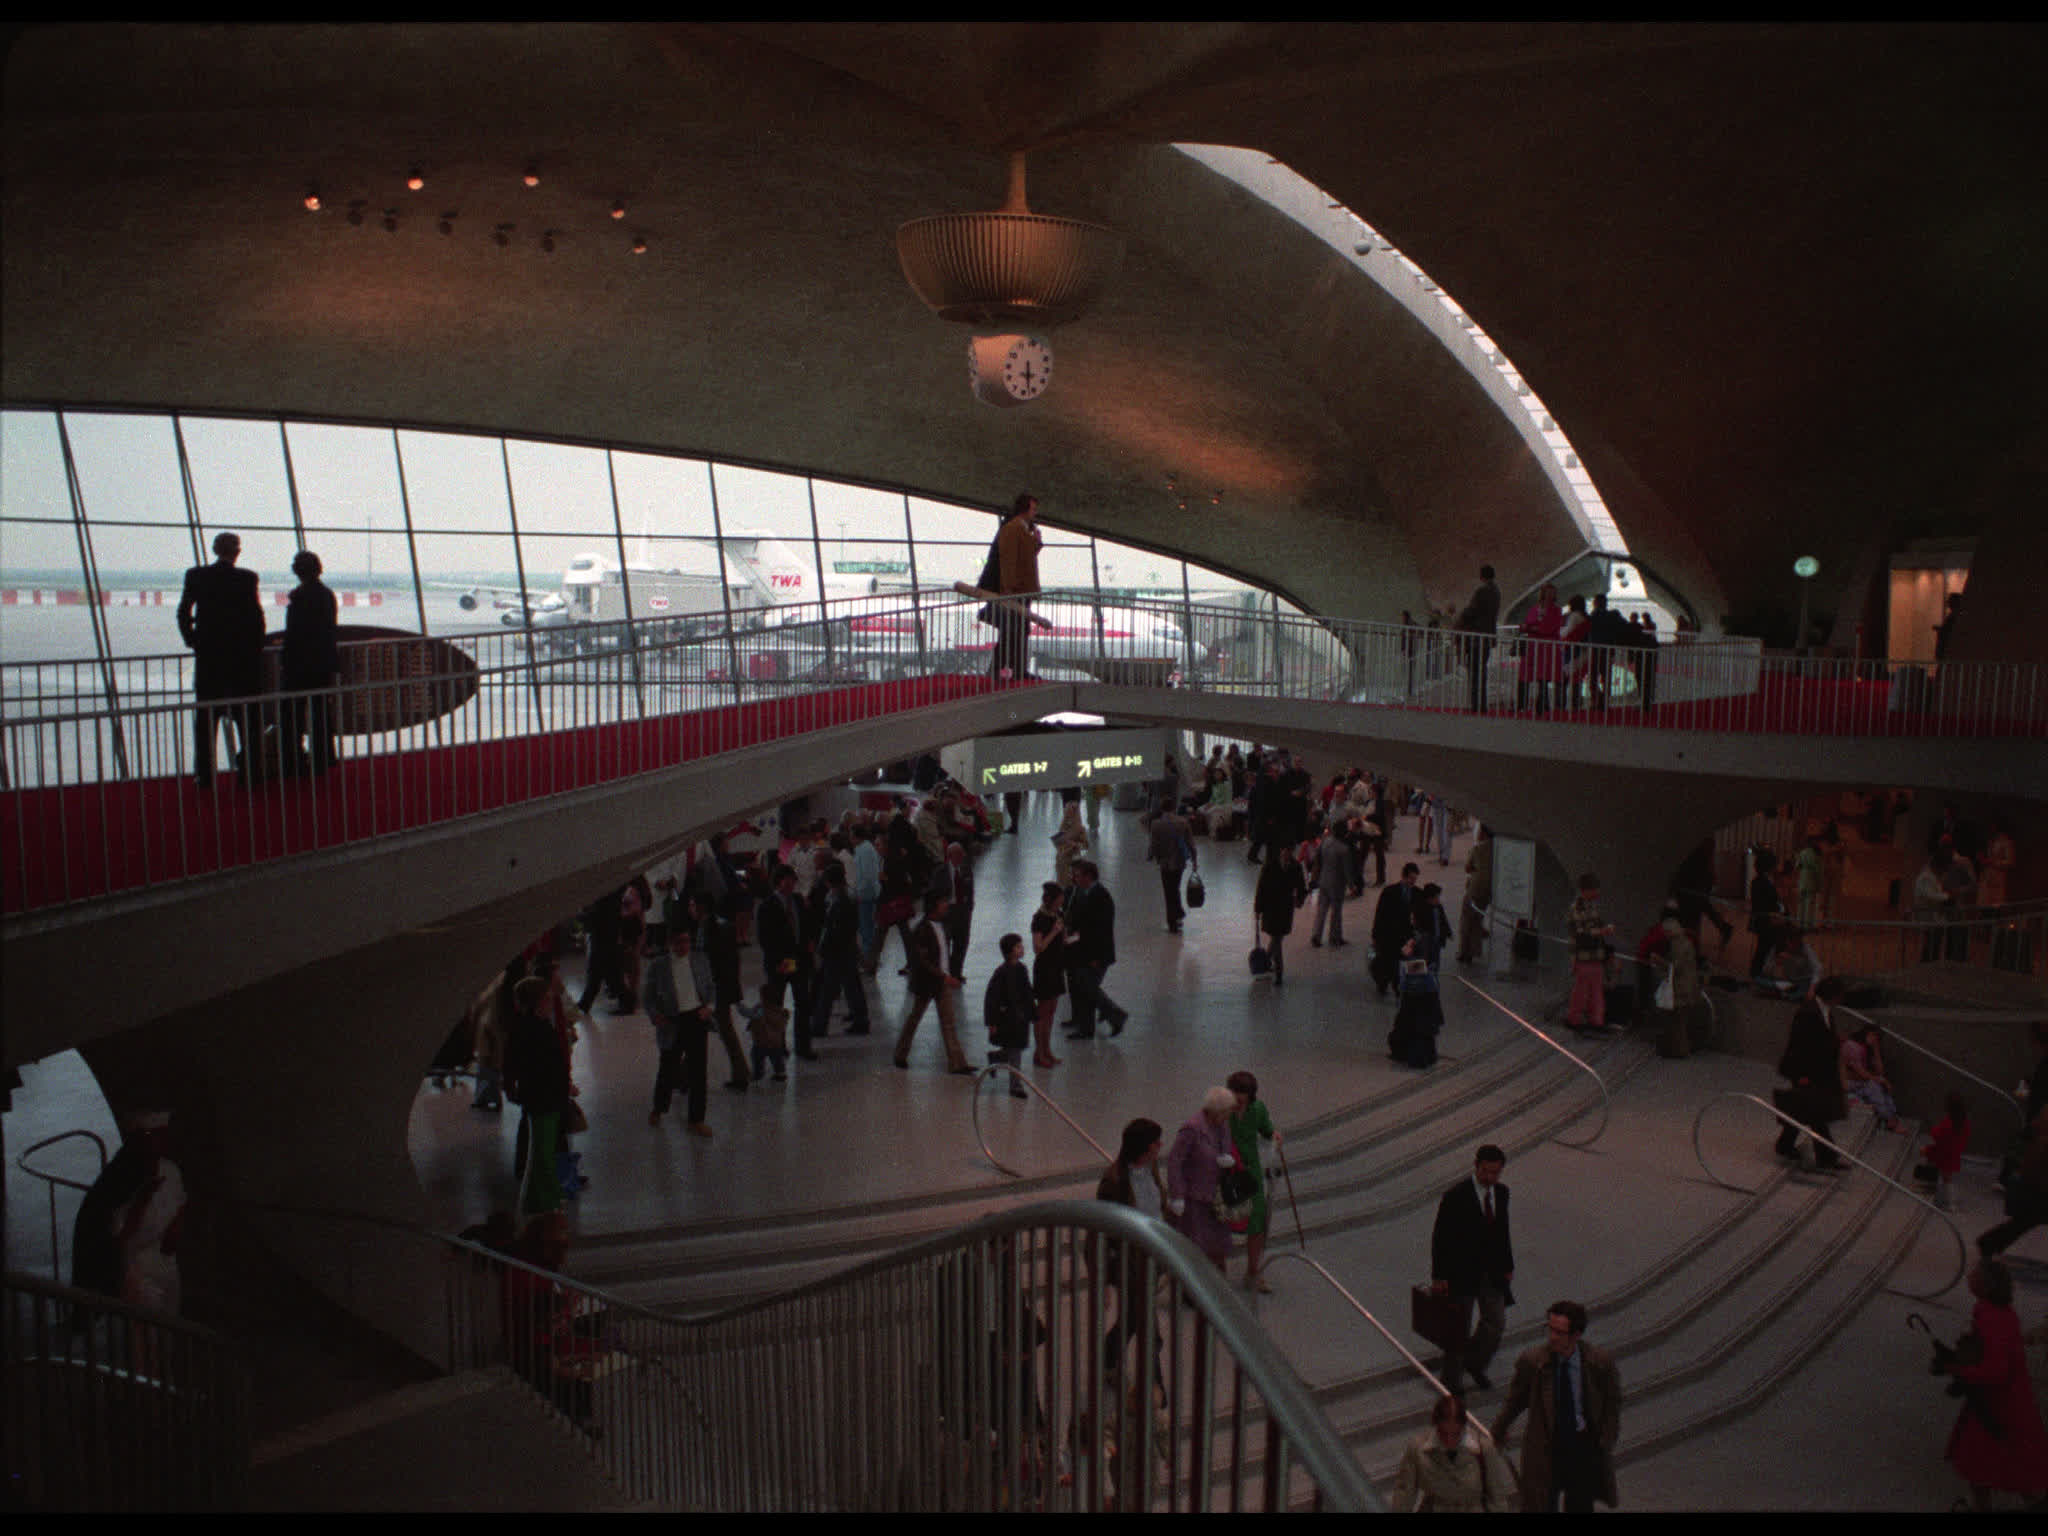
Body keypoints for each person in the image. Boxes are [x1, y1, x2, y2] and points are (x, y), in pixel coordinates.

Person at [1491, 1299, 1623, 1512]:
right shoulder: (1533, 1362)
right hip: (1545, 1448)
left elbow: (1612, 1403)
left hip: (1581, 1447)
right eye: (1550, 1329)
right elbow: (1514, 1401)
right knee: (1540, 1504)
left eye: (1559, 1332)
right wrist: (1497, 1432)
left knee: (1580, 1504)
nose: (1552, 1337)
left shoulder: (1598, 1362)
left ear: (1576, 1335)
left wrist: (1606, 1440)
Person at [1939, 1258, 2048, 1510]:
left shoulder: (1992, 1318)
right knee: (2005, 1470)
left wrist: (1959, 1369)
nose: (1968, 1277)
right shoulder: (1995, 1313)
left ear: (1985, 1286)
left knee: (1988, 1468)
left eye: (1974, 1275)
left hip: (1999, 1408)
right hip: (2002, 1406)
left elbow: (1995, 1371)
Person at [176, 529, 266, 788]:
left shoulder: (196, 576)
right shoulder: (248, 579)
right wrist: (255, 650)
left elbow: (183, 612)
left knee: (206, 723)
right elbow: (257, 619)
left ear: (215, 550)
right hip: (241, 663)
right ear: (236, 552)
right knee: (247, 722)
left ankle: (205, 776)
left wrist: (192, 640)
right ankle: (250, 774)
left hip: (209, 662)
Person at [1430, 1144, 1515, 1395]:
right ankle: (1451, 1380)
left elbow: (1503, 1231)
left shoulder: (1501, 1193)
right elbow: (1440, 1238)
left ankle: (1475, 1362)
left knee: (1495, 1322)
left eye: (1495, 1173)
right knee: (1459, 1327)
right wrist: (1439, 1275)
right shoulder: (1456, 1196)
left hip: (1492, 1271)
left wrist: (1508, 1264)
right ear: (1476, 1166)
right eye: (1486, 1172)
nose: (1490, 1178)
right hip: (1462, 1272)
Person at [505, 974, 569, 1214]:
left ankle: (539, 1196)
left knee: (542, 1148)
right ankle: (545, 1199)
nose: (551, 1001)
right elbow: (547, 1064)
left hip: (540, 1096)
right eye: (547, 998)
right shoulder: (536, 1029)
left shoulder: (523, 1027)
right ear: (538, 1001)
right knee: (542, 1152)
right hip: (544, 1097)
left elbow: (511, 1062)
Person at [641, 922, 713, 1137]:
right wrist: (655, 1016)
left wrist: (709, 1007)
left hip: (696, 1019)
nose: (684, 946)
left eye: (687, 941)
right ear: (670, 943)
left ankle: (697, 1119)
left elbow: (710, 987)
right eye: (679, 942)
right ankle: (658, 1107)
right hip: (672, 1022)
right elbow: (648, 997)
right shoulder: (658, 965)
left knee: (698, 1072)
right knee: (668, 1067)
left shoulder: (700, 959)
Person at [1392, 1393, 1516, 1514]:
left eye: (1456, 1434)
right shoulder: (1418, 1449)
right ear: (1436, 1426)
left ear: (1463, 1428)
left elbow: (1496, 1496)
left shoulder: (1483, 1449)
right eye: (1443, 1434)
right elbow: (1404, 1492)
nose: (1449, 1441)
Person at [1773, 976, 1848, 1170]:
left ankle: (1785, 1144)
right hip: (1806, 1070)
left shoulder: (1823, 1011)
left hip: (1817, 1070)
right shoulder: (1808, 1013)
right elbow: (1799, 1045)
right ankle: (1827, 1157)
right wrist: (1800, 1075)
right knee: (1816, 1114)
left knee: (1803, 1109)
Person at [894, 892, 971, 1074]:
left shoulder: (943, 926)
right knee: (915, 1017)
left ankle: (957, 1062)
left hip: (940, 981)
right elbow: (923, 961)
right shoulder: (922, 929)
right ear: (934, 906)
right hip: (927, 983)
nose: (946, 905)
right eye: (943, 901)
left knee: (948, 1021)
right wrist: (945, 977)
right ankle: (900, 1053)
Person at [1166, 1087, 1239, 1274]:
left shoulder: (1222, 1126)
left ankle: (1215, 1287)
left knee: (1218, 1247)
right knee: (1197, 1247)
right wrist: (1177, 1195)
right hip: (1195, 1198)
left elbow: (1224, 1146)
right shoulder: (1192, 1128)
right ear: (1218, 1111)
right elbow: (1175, 1161)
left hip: (1215, 1196)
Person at [281, 548, 340, 775]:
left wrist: (285, 659)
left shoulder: (299, 596)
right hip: (322, 662)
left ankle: (294, 759)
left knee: (292, 714)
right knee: (320, 713)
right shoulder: (327, 594)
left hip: (299, 665)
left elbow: (294, 634)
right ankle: (324, 757)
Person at [687, 889, 753, 1091]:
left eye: (692, 904)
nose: (690, 908)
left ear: (700, 907)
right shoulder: (722, 925)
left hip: (713, 990)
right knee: (712, 1030)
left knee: (708, 1030)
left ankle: (740, 1074)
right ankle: (740, 1072)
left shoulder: (707, 929)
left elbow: (706, 963)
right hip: (722, 988)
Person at [1226, 1070, 1282, 1293]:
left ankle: (1252, 1271)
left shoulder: (1257, 1110)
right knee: (1223, 1221)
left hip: (1251, 1171)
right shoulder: (1222, 1111)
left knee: (1256, 1223)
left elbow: (1267, 1130)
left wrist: (1274, 1137)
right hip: (1229, 1171)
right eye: (1235, 1093)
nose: (1238, 1098)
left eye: (1243, 1094)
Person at [757, 863, 818, 1061]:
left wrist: (809, 943)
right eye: (788, 880)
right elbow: (765, 938)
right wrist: (777, 961)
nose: (792, 884)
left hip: (799, 961)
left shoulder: (799, 901)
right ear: (778, 882)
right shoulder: (767, 906)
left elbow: (807, 924)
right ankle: (777, 1046)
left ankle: (803, 1046)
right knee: (777, 1007)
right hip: (780, 964)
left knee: (803, 1003)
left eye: (794, 880)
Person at [1062, 859, 1129, 1038]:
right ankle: (1085, 1023)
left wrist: (1096, 957)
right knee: (1082, 987)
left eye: (1077, 875)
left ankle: (1114, 1015)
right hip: (1081, 950)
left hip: (1096, 954)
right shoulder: (1081, 892)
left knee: (1088, 987)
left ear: (1088, 876)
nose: (1074, 879)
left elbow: (1102, 931)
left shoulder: (1101, 897)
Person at [808, 861, 871, 1040]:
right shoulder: (848, 895)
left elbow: (832, 928)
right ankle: (861, 1020)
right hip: (847, 948)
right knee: (852, 986)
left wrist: (822, 948)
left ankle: (819, 1026)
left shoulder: (839, 900)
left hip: (836, 951)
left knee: (827, 990)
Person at [991, 491, 1042, 681]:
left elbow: (1023, 558)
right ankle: (1009, 668)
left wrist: (1035, 542)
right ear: (1025, 510)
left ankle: (1012, 668)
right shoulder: (1013, 529)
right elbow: (1010, 560)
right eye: (1033, 509)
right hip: (1017, 590)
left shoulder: (1021, 530)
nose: (1035, 513)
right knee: (1014, 631)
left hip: (1020, 589)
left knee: (1017, 630)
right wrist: (1009, 588)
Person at [983, 933, 1034, 1098]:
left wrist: (1032, 1011)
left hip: (1021, 1018)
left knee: (1015, 1049)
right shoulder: (1001, 973)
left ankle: (995, 1057)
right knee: (1015, 1052)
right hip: (1008, 1019)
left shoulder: (1022, 969)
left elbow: (1027, 992)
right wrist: (992, 1022)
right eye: (1018, 946)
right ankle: (1016, 1086)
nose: (1022, 949)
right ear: (1010, 951)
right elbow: (992, 999)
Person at [1565, 873, 1617, 1034]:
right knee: (1583, 989)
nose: (1597, 893)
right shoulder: (1577, 908)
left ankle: (1596, 1020)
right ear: (1586, 890)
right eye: (1595, 889)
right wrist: (1603, 931)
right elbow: (1581, 933)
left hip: (1594, 955)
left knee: (1595, 989)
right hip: (1584, 955)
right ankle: (1576, 1019)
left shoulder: (1591, 906)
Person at [1253, 843, 1307, 988]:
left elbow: (1301, 886)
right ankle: (1279, 973)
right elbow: (1261, 887)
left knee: (1277, 938)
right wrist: (1258, 909)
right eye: (1284, 850)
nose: (1286, 853)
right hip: (1271, 906)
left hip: (1285, 907)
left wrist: (1299, 900)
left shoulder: (1295, 867)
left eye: (1289, 850)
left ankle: (1266, 962)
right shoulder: (1270, 865)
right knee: (1277, 938)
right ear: (1280, 850)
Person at [1838, 1021, 1903, 1132]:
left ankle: (1892, 1116)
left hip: (1861, 1082)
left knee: (1880, 1087)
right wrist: (1881, 1080)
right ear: (1867, 1033)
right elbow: (1861, 1073)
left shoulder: (1868, 1048)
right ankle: (1889, 1118)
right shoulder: (1851, 1046)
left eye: (1877, 1039)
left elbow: (1879, 1071)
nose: (1875, 1040)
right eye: (1874, 1036)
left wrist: (1876, 1050)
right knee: (1874, 1087)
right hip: (1848, 1081)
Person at [1371, 862, 1423, 1000]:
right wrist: (1376, 935)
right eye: (1411, 878)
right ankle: (1386, 982)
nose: (1413, 882)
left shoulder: (1417, 894)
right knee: (1390, 962)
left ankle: (1401, 987)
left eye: (1415, 879)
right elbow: (1380, 914)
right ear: (1404, 877)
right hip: (1390, 935)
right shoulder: (1389, 892)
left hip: (1407, 936)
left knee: (1404, 962)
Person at [1456, 562, 1502, 713]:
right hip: (1488, 638)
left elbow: (1471, 611)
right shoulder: (1497, 592)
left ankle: (1476, 705)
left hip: (1477, 638)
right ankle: (1482, 704)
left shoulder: (1482, 591)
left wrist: (1460, 619)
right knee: (1482, 671)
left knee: (1475, 672)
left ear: (1481, 576)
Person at [928, 840, 975, 980]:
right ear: (950, 856)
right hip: (947, 911)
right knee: (946, 942)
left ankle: (957, 972)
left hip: (963, 911)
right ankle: (946, 972)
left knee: (962, 942)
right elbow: (934, 893)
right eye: (958, 854)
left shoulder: (966, 869)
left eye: (962, 854)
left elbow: (970, 889)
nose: (962, 857)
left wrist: (970, 907)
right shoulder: (940, 872)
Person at [1516, 581, 1565, 714]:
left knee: (1544, 676)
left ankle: (1542, 705)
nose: (1549, 595)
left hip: (1548, 649)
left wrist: (1532, 628)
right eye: (1547, 592)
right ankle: (1522, 705)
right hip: (1533, 647)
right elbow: (1528, 624)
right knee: (1526, 675)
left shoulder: (1556, 610)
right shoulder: (1534, 608)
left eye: (1551, 592)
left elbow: (1549, 628)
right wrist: (1531, 627)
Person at [1148, 799, 1194, 934]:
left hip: (1164, 861)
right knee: (1175, 888)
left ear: (1162, 809)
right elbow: (1190, 842)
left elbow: (1154, 843)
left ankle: (1172, 921)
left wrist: (1152, 855)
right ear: (1174, 808)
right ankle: (1178, 914)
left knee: (1169, 891)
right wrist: (1195, 860)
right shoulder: (1183, 822)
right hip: (1179, 861)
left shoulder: (1156, 824)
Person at [1307, 820, 1354, 950]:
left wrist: (1315, 877)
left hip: (1324, 880)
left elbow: (1318, 860)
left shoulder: (1325, 842)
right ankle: (1334, 937)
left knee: (1321, 910)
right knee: (1336, 911)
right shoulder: (1344, 850)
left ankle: (1316, 935)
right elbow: (1347, 870)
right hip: (1337, 884)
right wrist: (1351, 885)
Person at [1920, 1092, 1971, 1211]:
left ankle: (1949, 1202)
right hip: (1953, 1152)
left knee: (1945, 1177)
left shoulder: (1949, 1121)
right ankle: (1947, 1200)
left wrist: (1933, 1130)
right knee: (1947, 1177)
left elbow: (1938, 1135)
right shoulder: (1964, 1121)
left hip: (1943, 1152)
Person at [1748, 849, 1787, 981]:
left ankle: (1758, 972)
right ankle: (1756, 973)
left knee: (1764, 947)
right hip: (1765, 921)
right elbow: (1765, 903)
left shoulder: (1763, 881)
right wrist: (1778, 909)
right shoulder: (1761, 883)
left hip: (1767, 920)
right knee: (1764, 948)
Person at [1458, 827, 1493, 966]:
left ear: (1483, 833)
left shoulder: (1478, 849)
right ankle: (1475, 950)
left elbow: (1467, 867)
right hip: (1488, 890)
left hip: (1475, 887)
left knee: (1467, 918)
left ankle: (1464, 951)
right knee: (1478, 918)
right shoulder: (1497, 849)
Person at [1051, 791, 1090, 890]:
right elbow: (1057, 842)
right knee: (1063, 882)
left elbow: (1086, 845)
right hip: (1063, 861)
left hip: (1073, 862)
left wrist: (1075, 845)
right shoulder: (1064, 826)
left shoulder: (1080, 829)